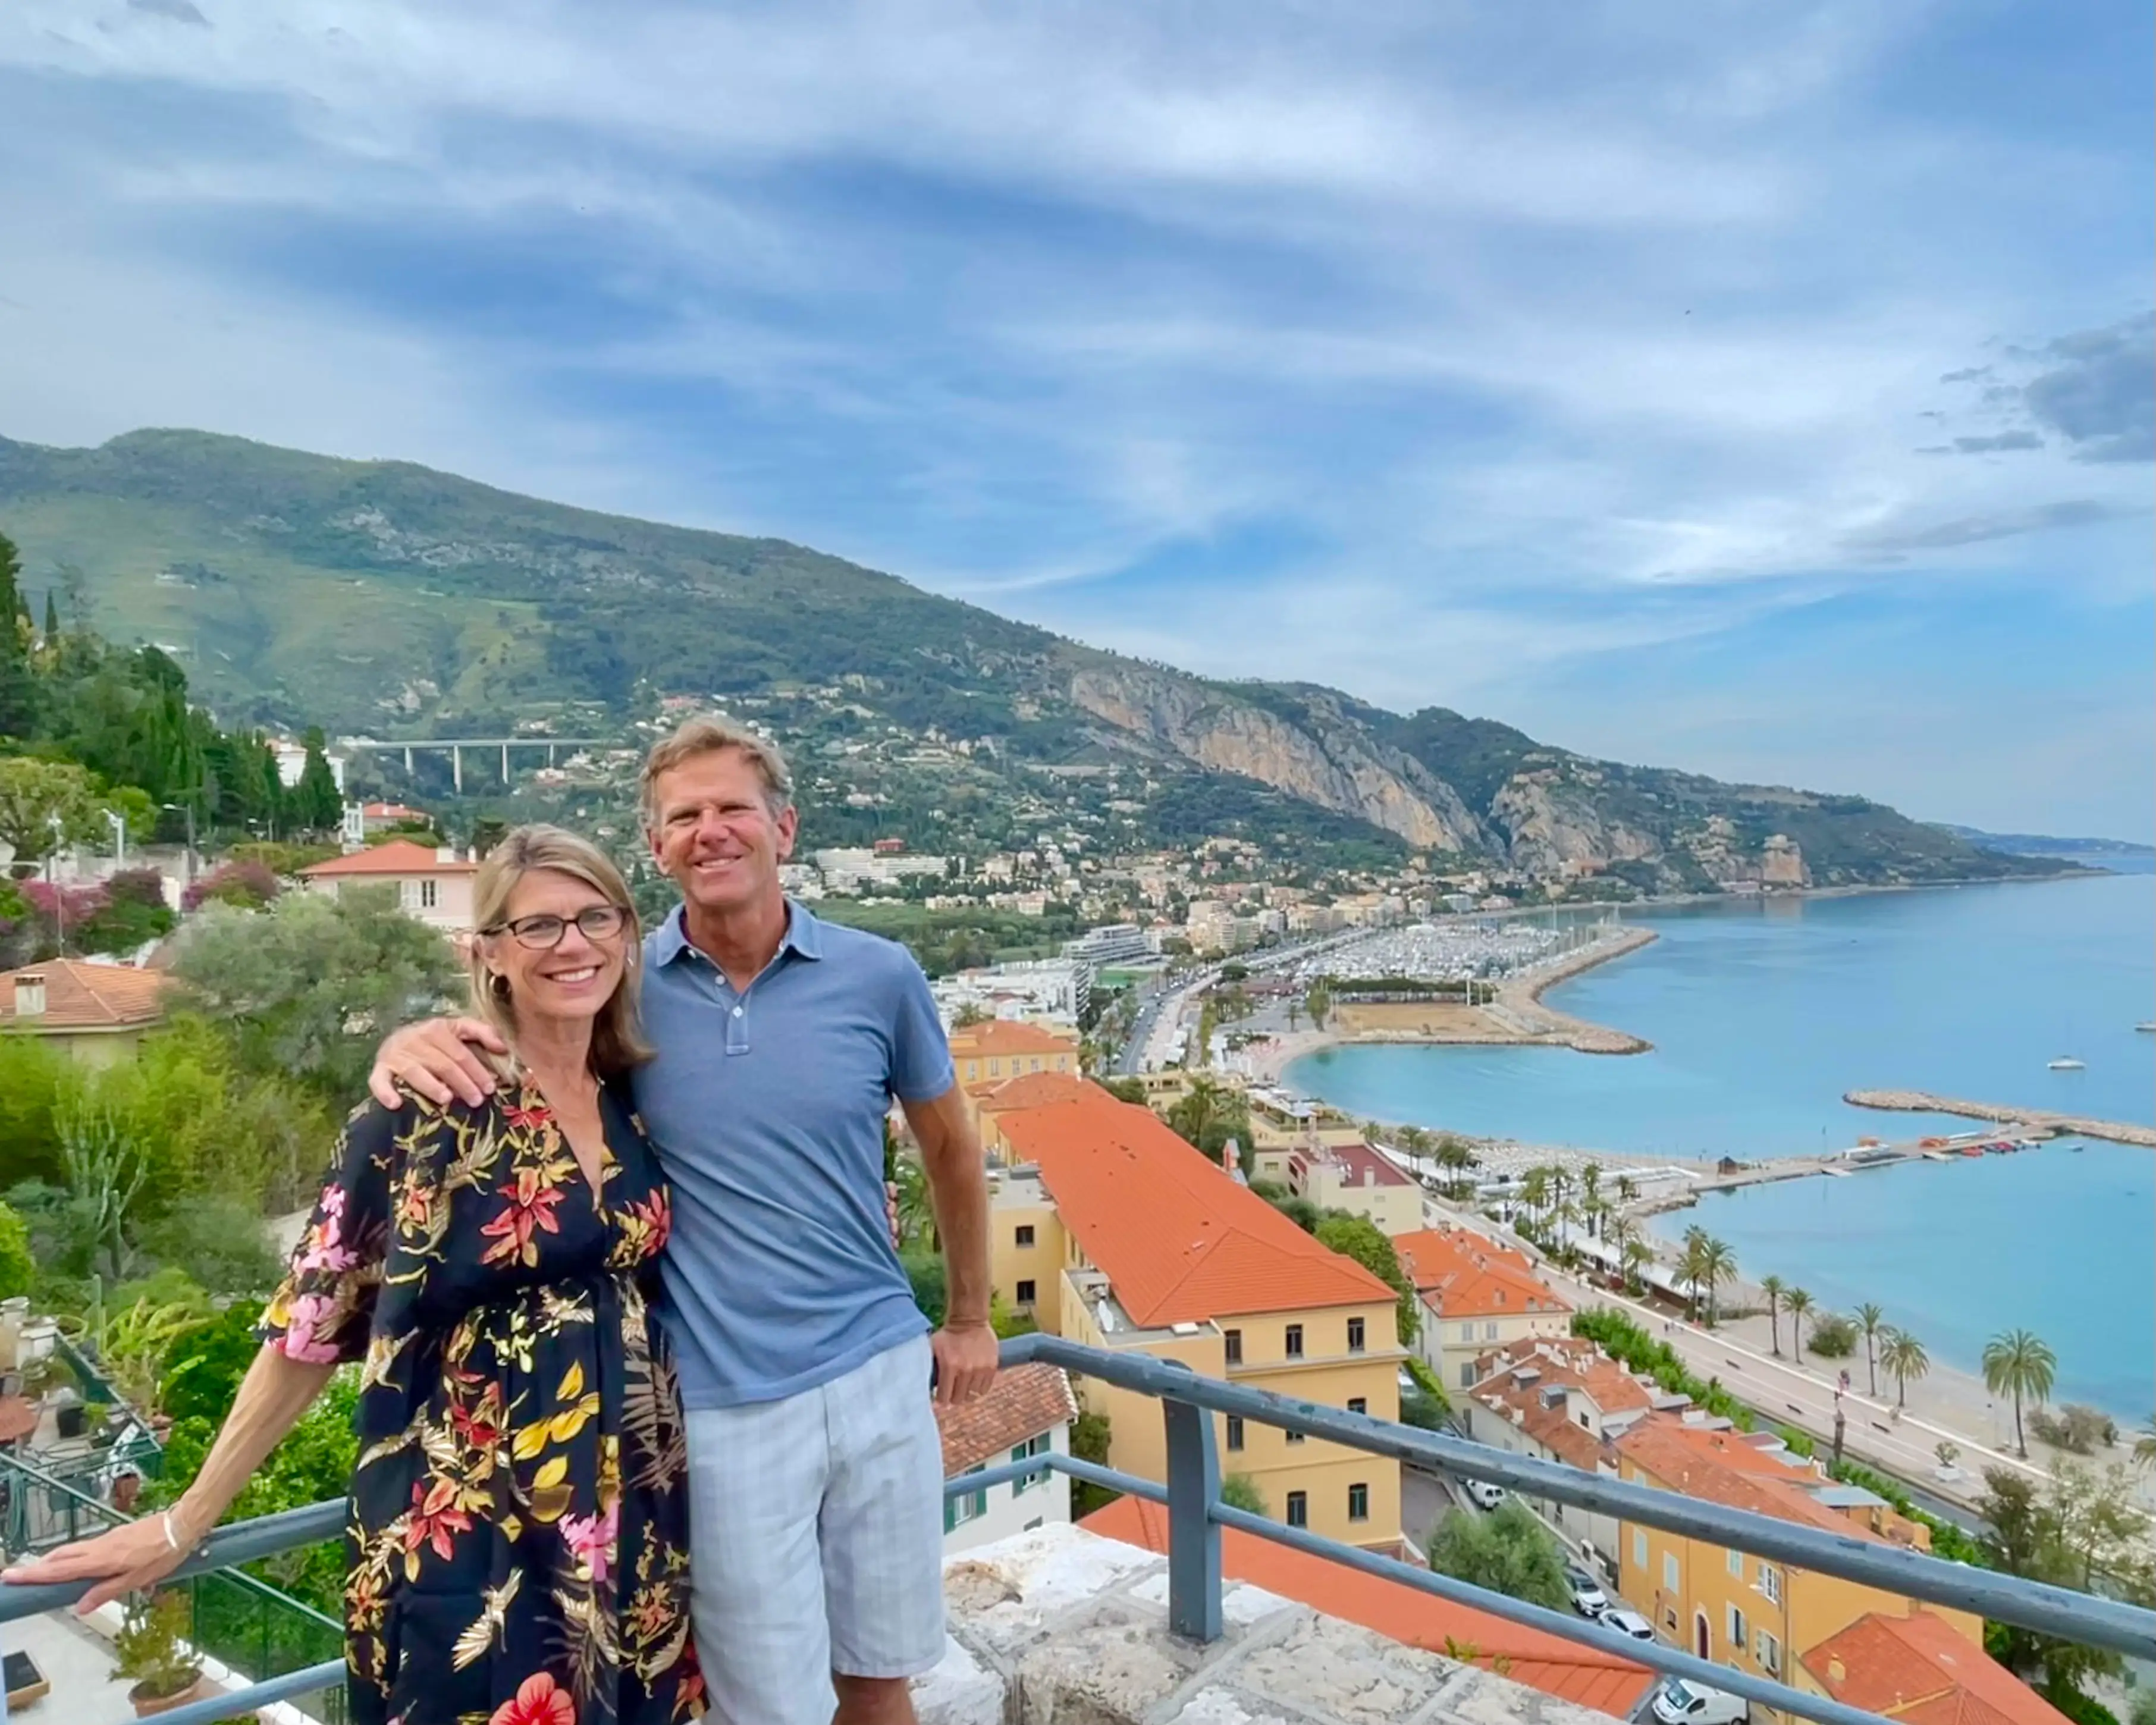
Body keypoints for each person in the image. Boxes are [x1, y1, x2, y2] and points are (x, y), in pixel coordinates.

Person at [368, 718, 996, 1725]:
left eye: (733, 807)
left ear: (784, 827)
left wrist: (966, 1317)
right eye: (684, 816)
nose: (712, 831)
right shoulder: (618, 988)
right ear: (655, 849)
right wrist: (408, 1039)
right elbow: (521, 1034)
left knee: (882, 1679)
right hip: (724, 1402)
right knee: (773, 1708)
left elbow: (953, 1149)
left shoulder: (881, 976)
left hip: (880, 1370)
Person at [5, 826, 704, 1725]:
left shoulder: (630, 1099)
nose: (573, 945)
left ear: (627, 932)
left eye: (595, 917)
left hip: (633, 1515)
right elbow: (310, 1323)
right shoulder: (430, 1108)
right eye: (537, 927)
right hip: (478, 1530)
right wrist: (189, 1516)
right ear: (486, 951)